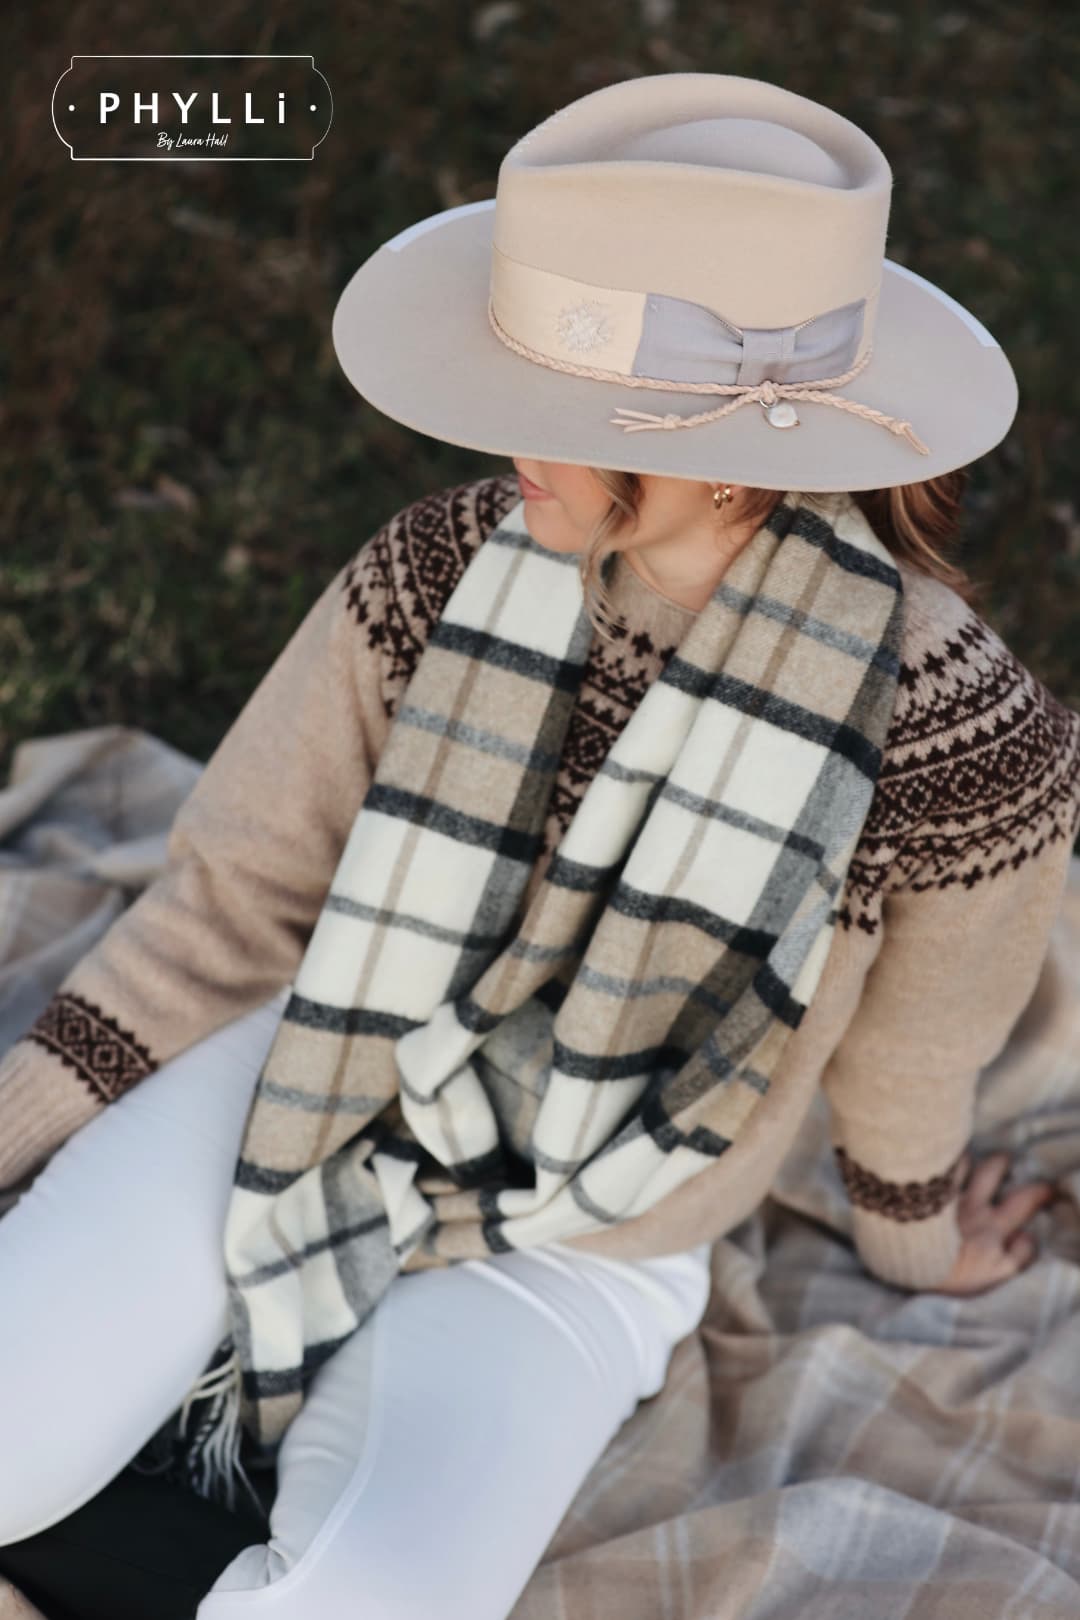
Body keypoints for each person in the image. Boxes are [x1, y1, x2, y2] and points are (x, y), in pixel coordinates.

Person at [1, 71, 1078, 1620]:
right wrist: (24, 1123)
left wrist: (912, 1243)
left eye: (556, 415)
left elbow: (912, 1064)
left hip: (606, 1219)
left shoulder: (967, 742)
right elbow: (238, 896)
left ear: (724, 453)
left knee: (373, 1599)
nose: (506, 445)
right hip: (311, 1070)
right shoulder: (442, 566)